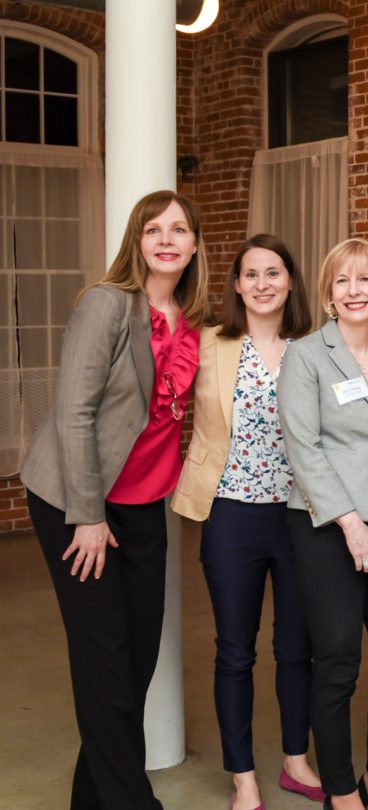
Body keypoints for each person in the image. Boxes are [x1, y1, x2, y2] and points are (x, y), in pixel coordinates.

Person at [22, 190, 209, 810]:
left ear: (193, 244)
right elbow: (72, 413)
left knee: (136, 661)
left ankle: (90, 801)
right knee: (105, 657)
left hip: (144, 505)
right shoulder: (108, 305)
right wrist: (89, 517)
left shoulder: (192, 319)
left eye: (178, 229)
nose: (165, 239)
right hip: (79, 503)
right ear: (137, 239)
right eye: (153, 228)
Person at [172, 234, 323, 809]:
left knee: (295, 647)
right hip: (230, 512)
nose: (262, 283)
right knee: (235, 649)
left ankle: (294, 759)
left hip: (300, 516)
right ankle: (242, 776)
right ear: (236, 285)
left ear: (290, 282)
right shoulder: (208, 343)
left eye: (274, 273)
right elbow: (160, 403)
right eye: (251, 274)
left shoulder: (312, 346)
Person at [278, 237, 368, 810]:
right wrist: (351, 524)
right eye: (342, 281)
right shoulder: (308, 355)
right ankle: (341, 789)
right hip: (325, 523)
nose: (354, 291)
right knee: (338, 661)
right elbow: (304, 446)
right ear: (329, 293)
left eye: (366, 280)